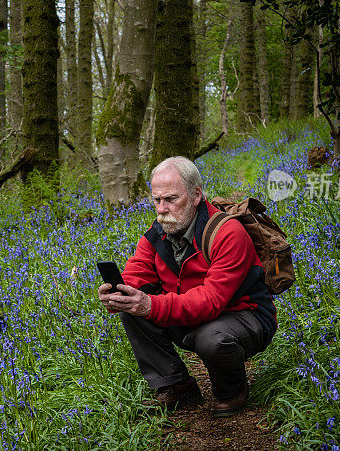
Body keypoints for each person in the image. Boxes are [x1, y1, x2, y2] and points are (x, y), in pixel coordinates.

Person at [98, 156, 277, 417]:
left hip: (242, 316)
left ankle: (232, 390)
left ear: (195, 195)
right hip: (191, 315)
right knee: (132, 307)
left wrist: (151, 305)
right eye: (157, 200)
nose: (161, 209)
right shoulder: (158, 232)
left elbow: (211, 301)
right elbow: (137, 273)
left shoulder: (228, 233)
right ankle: (176, 385)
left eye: (171, 199)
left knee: (212, 339)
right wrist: (119, 294)